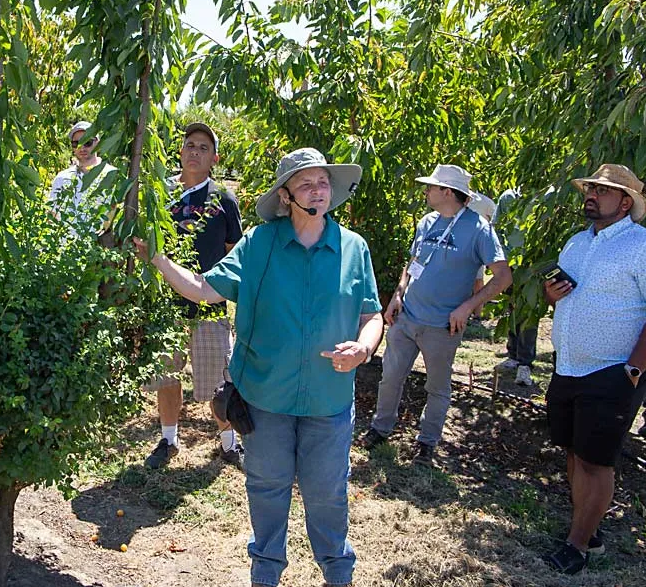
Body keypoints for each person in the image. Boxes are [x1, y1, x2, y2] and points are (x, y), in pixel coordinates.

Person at [135, 148, 384, 587]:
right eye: (306, 183)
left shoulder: (353, 248)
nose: (318, 190)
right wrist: (156, 257)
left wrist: (363, 349)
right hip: (266, 399)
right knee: (267, 490)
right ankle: (265, 577)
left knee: (327, 495)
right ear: (286, 196)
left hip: (328, 402)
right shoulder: (260, 243)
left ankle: (337, 576)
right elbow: (203, 289)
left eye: (323, 182)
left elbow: (373, 316)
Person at [542, 164, 646, 574]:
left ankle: (578, 545)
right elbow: (566, 299)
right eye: (589, 188)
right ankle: (587, 527)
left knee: (595, 461)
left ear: (626, 203)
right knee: (573, 451)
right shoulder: (576, 243)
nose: (591, 194)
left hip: (615, 370)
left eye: (602, 191)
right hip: (569, 365)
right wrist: (553, 296)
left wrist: (635, 369)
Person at [364, 164, 511, 464]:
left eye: (431, 187)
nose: (426, 191)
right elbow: (413, 262)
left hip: (442, 326)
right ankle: (380, 429)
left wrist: (468, 306)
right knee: (390, 377)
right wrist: (397, 295)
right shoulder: (427, 222)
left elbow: (503, 277)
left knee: (437, 387)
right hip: (407, 318)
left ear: (447, 192)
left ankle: (426, 443)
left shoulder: (479, 229)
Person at [141, 122, 245, 469]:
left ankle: (229, 443)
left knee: (217, 379)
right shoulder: (164, 195)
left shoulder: (223, 199)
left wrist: (219, 289)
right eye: (189, 145)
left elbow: (234, 253)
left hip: (210, 306)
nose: (194, 151)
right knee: (167, 376)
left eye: (203, 147)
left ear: (214, 158)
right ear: (180, 151)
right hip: (167, 306)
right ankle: (169, 440)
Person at [493, 188, 539, 387]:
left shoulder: (546, 195)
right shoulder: (508, 197)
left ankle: (525, 362)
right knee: (511, 309)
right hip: (510, 264)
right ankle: (513, 353)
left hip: (532, 265)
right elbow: (496, 227)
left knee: (529, 312)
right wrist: (502, 259)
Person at [48, 121, 117, 227]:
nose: (82, 148)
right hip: (66, 243)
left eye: (87, 142)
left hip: (99, 242)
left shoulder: (112, 175)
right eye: (76, 144)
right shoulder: (61, 178)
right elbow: (51, 217)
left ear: (97, 142)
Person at [467, 192, 496, 318]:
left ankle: (477, 314)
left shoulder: (486, 202)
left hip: (476, 247)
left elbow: (496, 221)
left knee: (477, 281)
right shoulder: (453, 200)